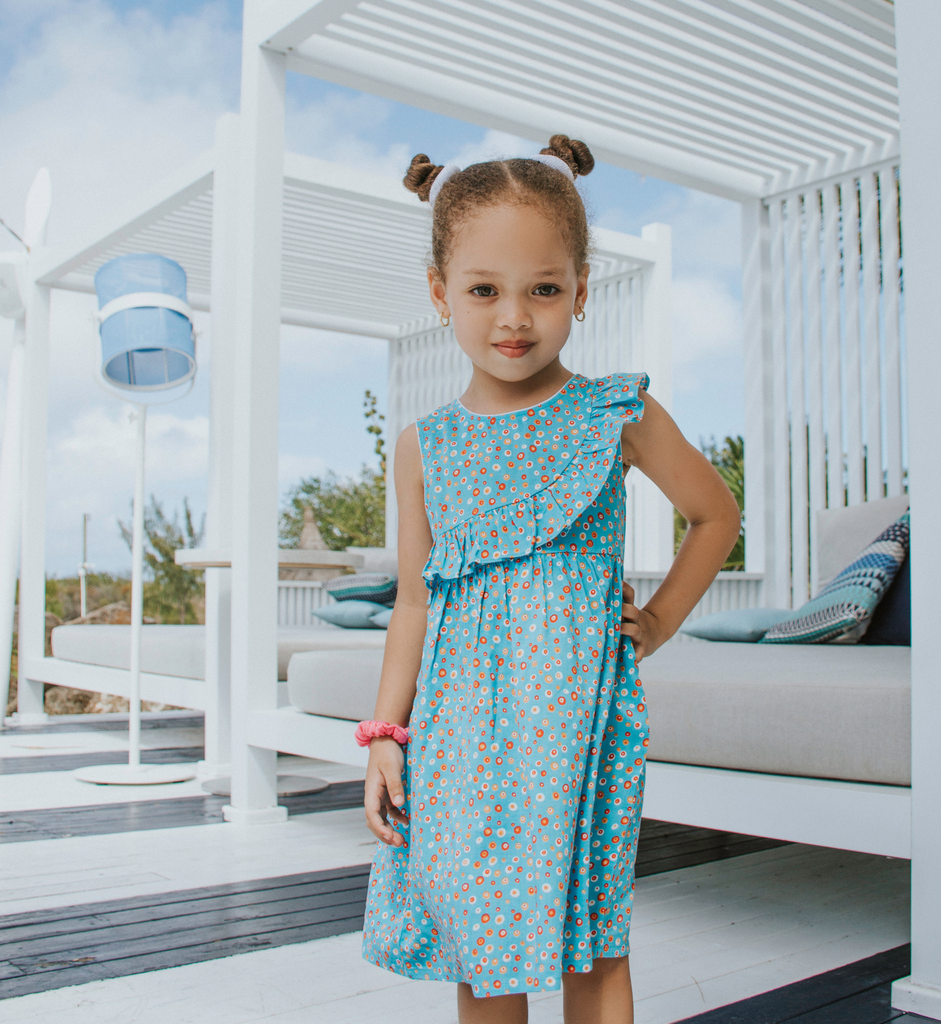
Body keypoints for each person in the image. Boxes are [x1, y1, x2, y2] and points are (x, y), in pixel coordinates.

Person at [359, 134, 740, 1024]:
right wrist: (385, 733)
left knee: (593, 941)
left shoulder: (617, 413)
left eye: (543, 289)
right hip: (459, 737)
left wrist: (660, 621)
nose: (514, 318)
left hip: (582, 724)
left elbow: (715, 515)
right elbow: (414, 602)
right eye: (483, 291)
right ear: (439, 294)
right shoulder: (424, 448)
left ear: (580, 290)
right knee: (482, 950)